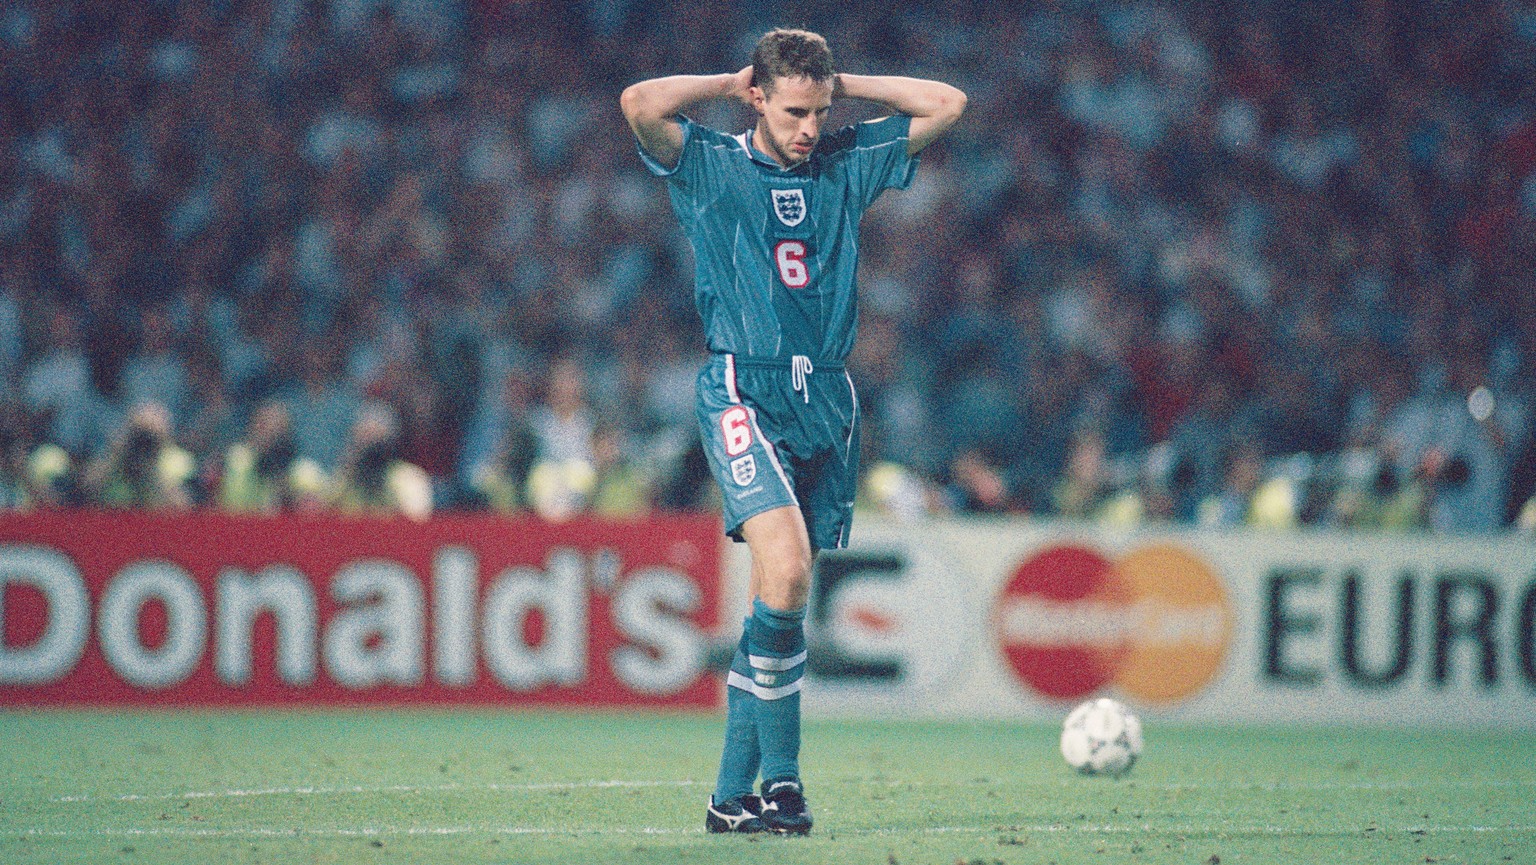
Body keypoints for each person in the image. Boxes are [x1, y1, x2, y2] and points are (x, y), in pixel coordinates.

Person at [620, 28, 965, 836]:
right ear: (758, 100)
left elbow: (948, 103)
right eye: (794, 110)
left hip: (827, 398)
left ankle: (728, 798)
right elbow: (638, 103)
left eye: (819, 109)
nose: (809, 126)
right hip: (743, 386)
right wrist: (728, 78)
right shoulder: (711, 161)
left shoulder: (845, 162)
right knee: (786, 568)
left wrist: (849, 84)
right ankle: (785, 785)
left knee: (782, 595)